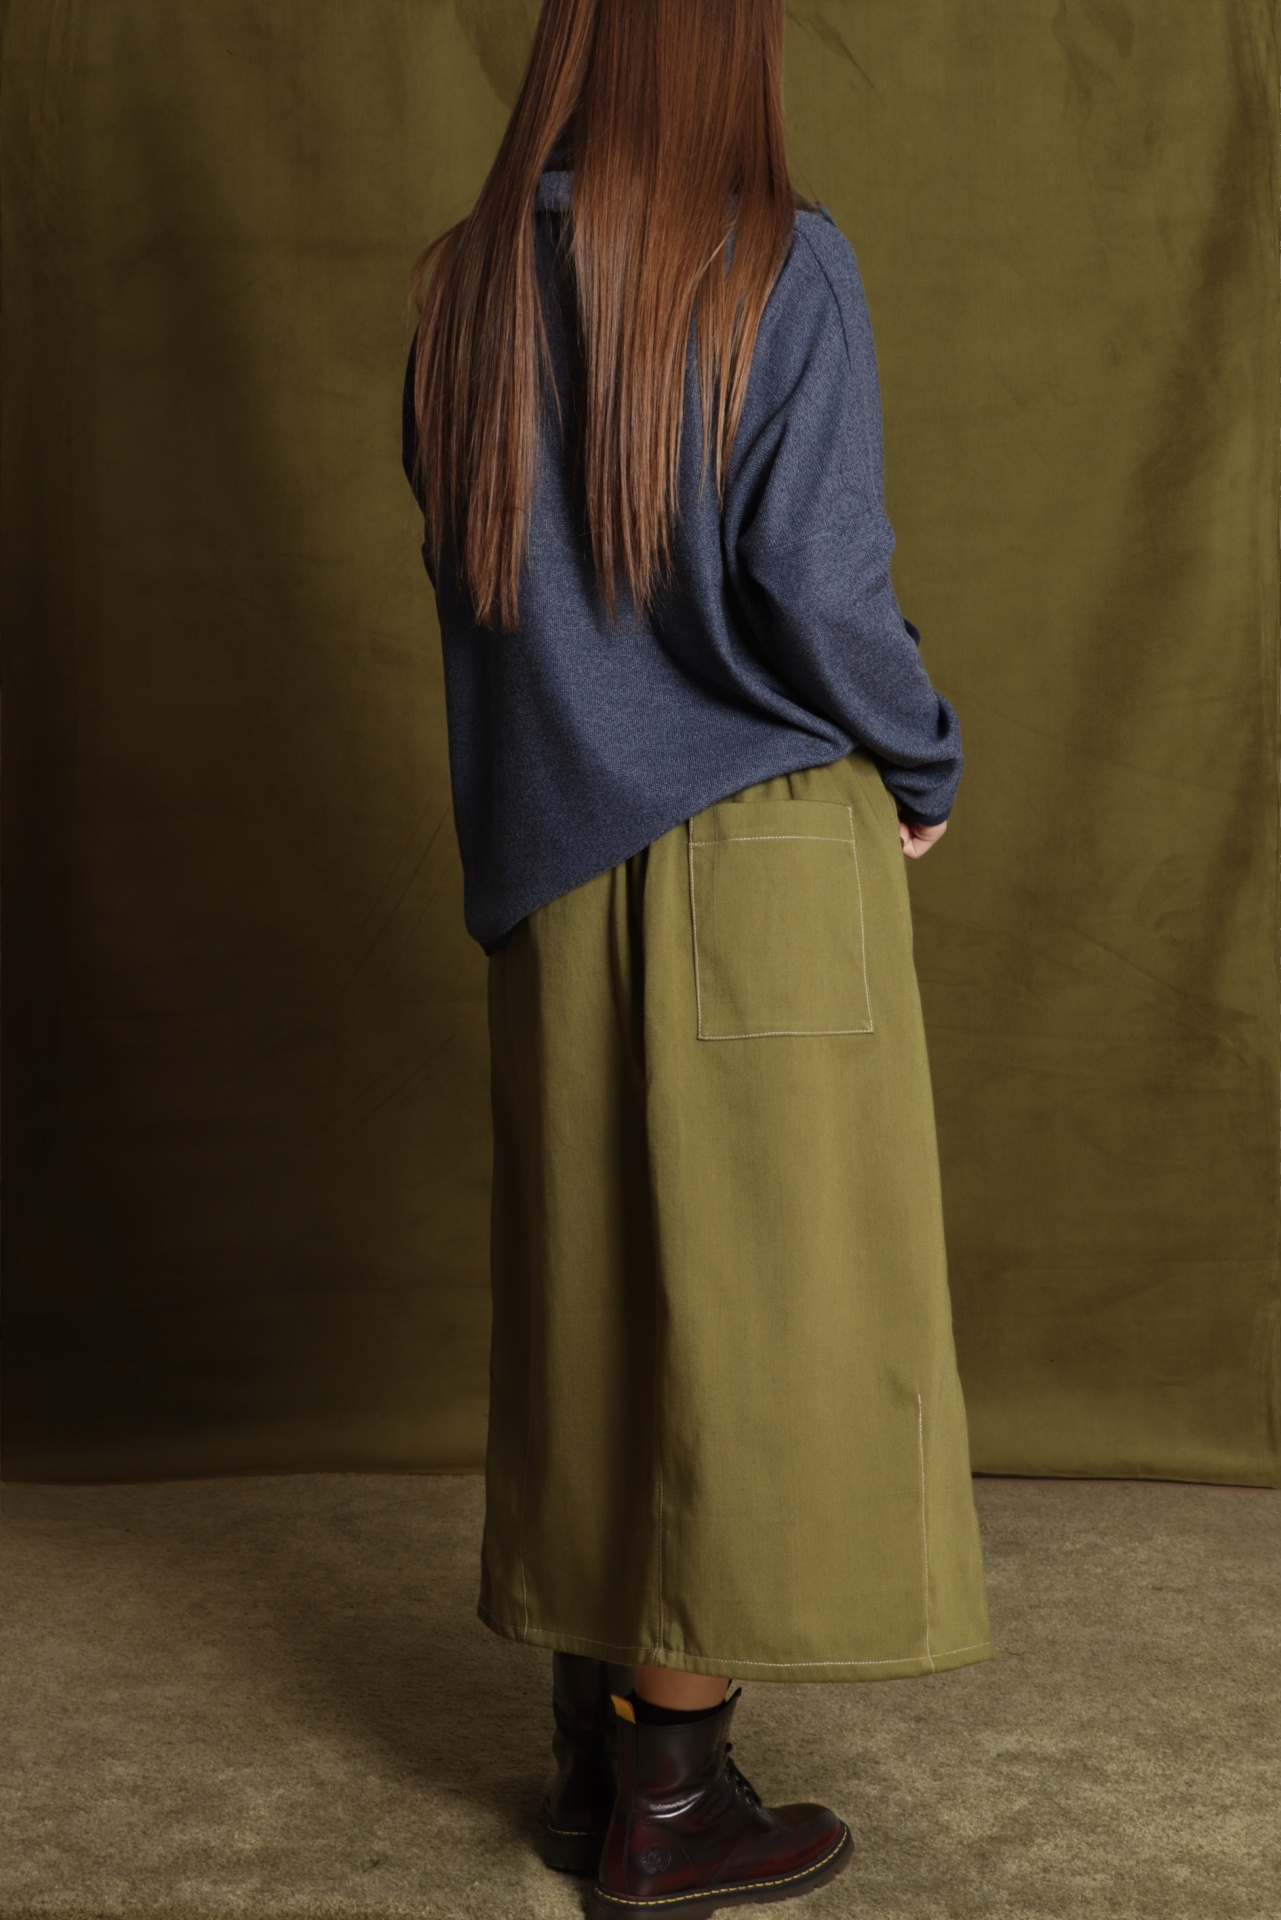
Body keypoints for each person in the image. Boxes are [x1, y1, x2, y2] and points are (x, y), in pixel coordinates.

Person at [401, 1, 993, 1912]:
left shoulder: (464, 288)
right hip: (756, 852)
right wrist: (921, 756)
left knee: (599, 1295)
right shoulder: (776, 263)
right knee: (767, 1313)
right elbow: (813, 576)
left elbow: (492, 599)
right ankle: (672, 1793)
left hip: (555, 869)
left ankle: (597, 1744)